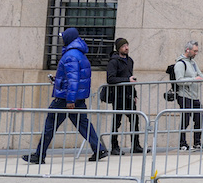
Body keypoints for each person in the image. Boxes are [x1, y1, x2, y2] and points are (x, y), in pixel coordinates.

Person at [22, 27, 108, 164]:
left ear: (68, 38)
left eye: (63, 37)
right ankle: (99, 149)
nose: (61, 40)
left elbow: (73, 80)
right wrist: (58, 81)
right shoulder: (79, 54)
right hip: (75, 97)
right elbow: (74, 78)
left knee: (50, 125)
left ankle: (39, 155)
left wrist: (70, 100)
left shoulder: (70, 55)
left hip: (65, 99)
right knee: (83, 124)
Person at [105, 37, 141, 156]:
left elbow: (131, 77)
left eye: (127, 45)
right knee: (117, 121)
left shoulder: (130, 60)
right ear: (118, 48)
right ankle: (114, 146)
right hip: (118, 95)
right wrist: (127, 80)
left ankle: (135, 145)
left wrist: (134, 94)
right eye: (123, 46)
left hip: (129, 95)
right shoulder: (113, 61)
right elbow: (110, 79)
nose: (126, 48)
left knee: (135, 119)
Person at [174, 40, 203, 151]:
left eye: (197, 51)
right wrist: (194, 80)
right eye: (194, 51)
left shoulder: (193, 63)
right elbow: (179, 81)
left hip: (194, 96)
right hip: (184, 95)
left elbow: (198, 74)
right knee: (185, 119)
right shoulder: (180, 64)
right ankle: (182, 143)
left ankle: (197, 142)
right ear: (187, 50)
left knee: (198, 118)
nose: (196, 53)